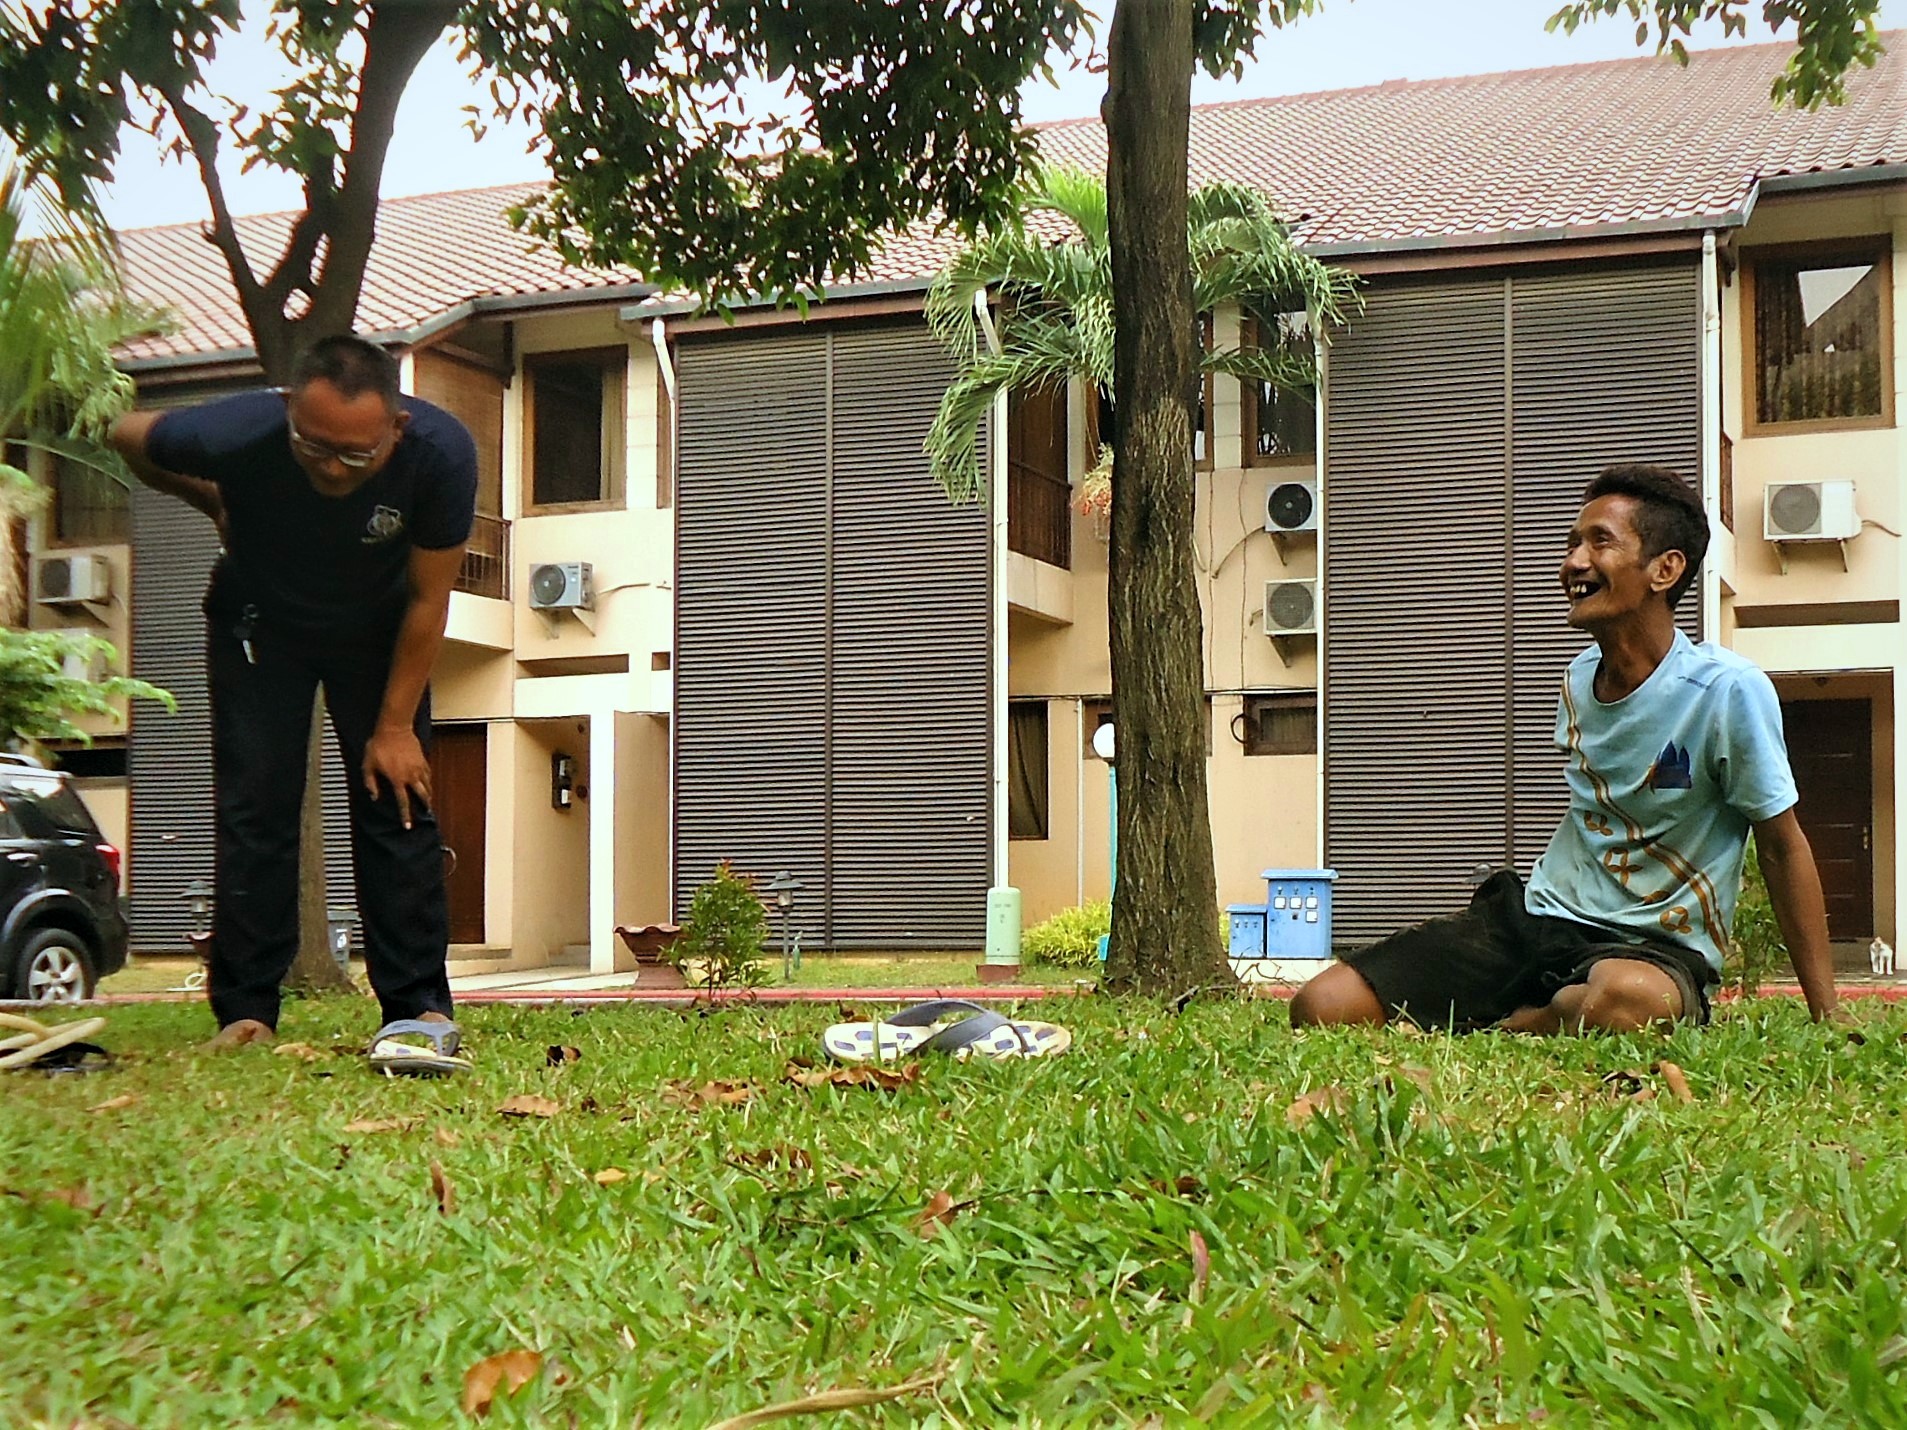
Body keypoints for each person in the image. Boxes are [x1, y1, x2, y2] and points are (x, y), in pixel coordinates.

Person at [1291, 463, 1840, 1034]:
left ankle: (1515, 1024)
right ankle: (1546, 1007)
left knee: (1627, 1002)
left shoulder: (1726, 692)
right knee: (1322, 1006)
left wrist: (1826, 1014)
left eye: (1600, 542)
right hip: (1536, 919)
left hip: (1651, 949)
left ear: (1665, 569)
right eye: (1573, 543)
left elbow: (1781, 847)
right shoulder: (1578, 680)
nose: (1573, 562)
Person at [112, 335, 478, 1070]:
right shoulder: (240, 430)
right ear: (287, 410)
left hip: (377, 632)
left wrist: (394, 726)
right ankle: (247, 1010)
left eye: (355, 455)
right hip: (259, 626)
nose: (332, 468)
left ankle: (417, 1008)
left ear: (397, 427)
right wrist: (209, 499)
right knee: (257, 807)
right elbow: (126, 433)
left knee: (396, 800)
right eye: (313, 447)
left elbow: (429, 598)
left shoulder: (441, 455)